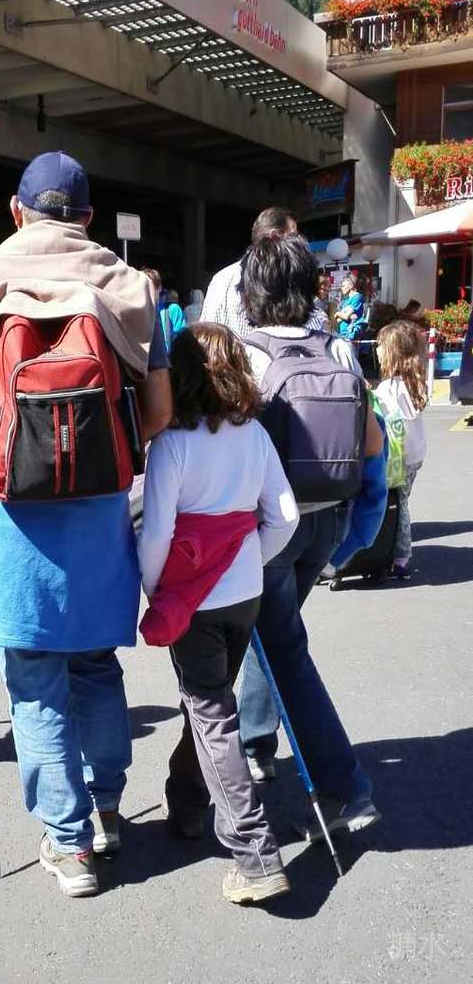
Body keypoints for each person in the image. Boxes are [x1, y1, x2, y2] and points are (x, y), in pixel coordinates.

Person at [0, 151, 172, 898]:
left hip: (12, 517)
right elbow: (159, 411)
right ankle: (107, 809)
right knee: (95, 663)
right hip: (98, 517)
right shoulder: (127, 285)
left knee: (33, 682)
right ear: (89, 217)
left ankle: (68, 844)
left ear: (16, 210)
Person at [139, 324, 298, 905]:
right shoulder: (254, 434)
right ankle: (186, 803)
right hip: (244, 591)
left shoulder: (173, 444)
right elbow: (284, 517)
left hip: (193, 598)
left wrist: (156, 590)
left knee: (210, 714)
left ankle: (255, 854)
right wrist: (250, 556)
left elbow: (157, 531)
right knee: (211, 705)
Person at [236, 235, 383, 839]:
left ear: (251, 292)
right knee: (273, 635)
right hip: (325, 521)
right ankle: (255, 742)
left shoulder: (246, 353)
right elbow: (372, 443)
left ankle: (345, 786)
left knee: (284, 649)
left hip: (269, 523)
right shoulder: (340, 349)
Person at [201, 207, 326, 337]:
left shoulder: (220, 278)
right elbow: (312, 334)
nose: (298, 242)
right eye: (293, 236)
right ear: (274, 236)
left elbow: (206, 337)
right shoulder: (286, 278)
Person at [374, 320, 428, 580]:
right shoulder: (415, 383)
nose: (376, 350)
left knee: (399, 505)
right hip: (415, 453)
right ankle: (397, 552)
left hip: (398, 457)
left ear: (392, 352)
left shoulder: (389, 388)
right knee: (402, 501)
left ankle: (401, 557)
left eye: (380, 346)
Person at [334, 273, 365, 340]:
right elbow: (338, 320)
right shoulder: (345, 300)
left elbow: (345, 316)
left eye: (343, 286)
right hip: (342, 333)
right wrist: (342, 315)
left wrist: (337, 314)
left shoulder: (357, 297)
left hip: (351, 334)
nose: (341, 288)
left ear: (350, 286)